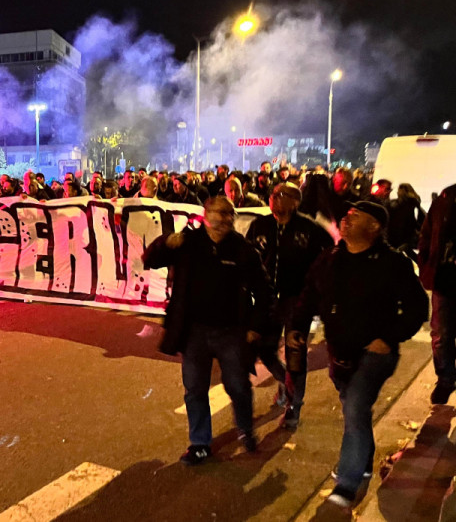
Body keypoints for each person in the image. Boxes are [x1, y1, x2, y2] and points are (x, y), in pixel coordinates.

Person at [288, 201, 427, 511]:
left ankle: (347, 483)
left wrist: (388, 337)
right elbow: (310, 292)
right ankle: (362, 463)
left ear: (374, 227)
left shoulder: (392, 263)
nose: (346, 221)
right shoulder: (332, 258)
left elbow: (418, 309)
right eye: (346, 216)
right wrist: (298, 326)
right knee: (355, 412)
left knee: (355, 407)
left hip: (375, 355)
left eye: (355, 217)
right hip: (340, 353)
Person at [143, 196, 274, 465]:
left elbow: (264, 291)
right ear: (205, 214)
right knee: (195, 389)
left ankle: (245, 428)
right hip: (194, 332)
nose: (224, 219)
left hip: (232, 332)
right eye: (219, 213)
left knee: (238, 386)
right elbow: (151, 260)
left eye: (229, 214)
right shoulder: (188, 242)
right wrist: (165, 242)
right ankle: (200, 443)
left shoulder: (243, 249)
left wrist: (255, 328)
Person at [246, 183, 334, 429]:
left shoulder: (310, 229)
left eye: (281, 195)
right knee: (264, 349)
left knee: (296, 354)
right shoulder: (259, 226)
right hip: (267, 300)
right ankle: (284, 380)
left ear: (296, 201)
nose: (274, 198)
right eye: (273, 194)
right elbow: (247, 257)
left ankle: (294, 405)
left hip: (298, 301)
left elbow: (330, 260)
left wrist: (318, 292)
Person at [418, 183, 456, 404]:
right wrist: (426, 264)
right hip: (446, 279)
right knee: (441, 334)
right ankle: (446, 378)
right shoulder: (446, 197)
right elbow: (427, 232)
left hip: (445, 278)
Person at [387, 183, 426, 260]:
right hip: (404, 236)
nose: (397, 192)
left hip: (400, 236)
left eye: (399, 190)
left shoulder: (407, 204)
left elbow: (414, 220)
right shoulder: (413, 204)